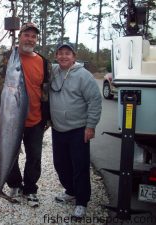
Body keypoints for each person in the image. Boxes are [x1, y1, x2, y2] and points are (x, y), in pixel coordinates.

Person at [49, 42, 102, 218]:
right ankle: (70, 191)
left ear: (74, 56)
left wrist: (91, 126)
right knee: (60, 164)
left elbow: (94, 101)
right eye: (60, 53)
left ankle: (81, 201)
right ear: (56, 56)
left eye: (67, 53)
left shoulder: (84, 76)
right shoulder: (53, 72)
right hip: (58, 129)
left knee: (80, 166)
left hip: (78, 129)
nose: (64, 56)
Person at [6, 22, 50, 208]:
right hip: (11, 119)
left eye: (33, 36)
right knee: (10, 154)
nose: (30, 39)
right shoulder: (7, 56)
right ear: (20, 36)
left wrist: (47, 117)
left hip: (35, 119)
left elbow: (47, 89)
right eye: (26, 35)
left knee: (34, 156)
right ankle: (14, 184)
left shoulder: (42, 61)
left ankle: (30, 188)